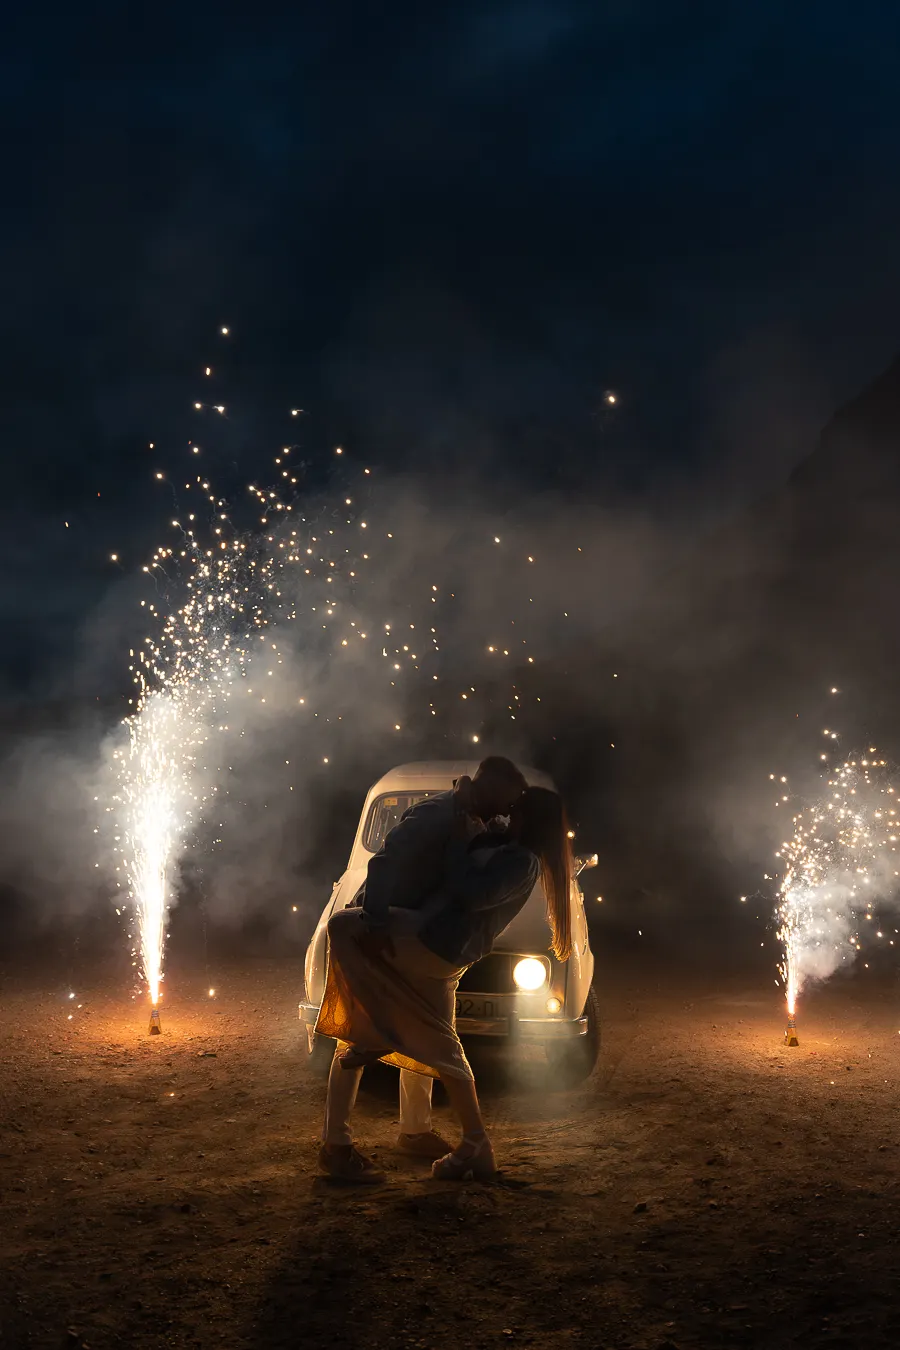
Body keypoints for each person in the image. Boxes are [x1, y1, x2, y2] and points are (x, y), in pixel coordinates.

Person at [315, 784, 572, 1183]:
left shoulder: (522, 861)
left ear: (528, 820)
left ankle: (376, 1064)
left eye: (515, 810)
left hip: (437, 946)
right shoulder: (504, 843)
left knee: (345, 932)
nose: (506, 815)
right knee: (442, 1044)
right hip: (436, 945)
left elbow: (470, 892)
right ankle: (441, 1135)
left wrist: (456, 838)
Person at [350, 757, 527, 1160]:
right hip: (388, 932)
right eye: (504, 801)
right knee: (359, 1033)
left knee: (427, 1036)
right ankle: (337, 1142)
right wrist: (375, 924)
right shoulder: (436, 814)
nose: (506, 813)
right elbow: (382, 862)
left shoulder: (477, 822)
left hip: (418, 936)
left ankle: (414, 1129)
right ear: (485, 790)